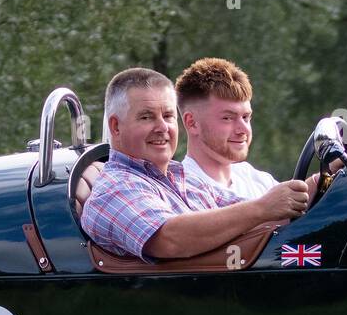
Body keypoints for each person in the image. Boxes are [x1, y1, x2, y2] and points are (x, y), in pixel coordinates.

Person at [79, 67, 309, 261]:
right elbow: (170, 239)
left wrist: (320, 185)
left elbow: (255, 215)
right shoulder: (116, 188)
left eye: (168, 116)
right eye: (146, 117)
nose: (162, 127)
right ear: (116, 127)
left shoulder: (179, 176)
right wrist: (262, 208)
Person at [175, 57, 325, 200]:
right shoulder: (182, 191)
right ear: (192, 123)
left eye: (246, 117)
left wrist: (328, 175)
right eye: (227, 118)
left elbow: (293, 211)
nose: (243, 130)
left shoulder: (255, 179)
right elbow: (258, 218)